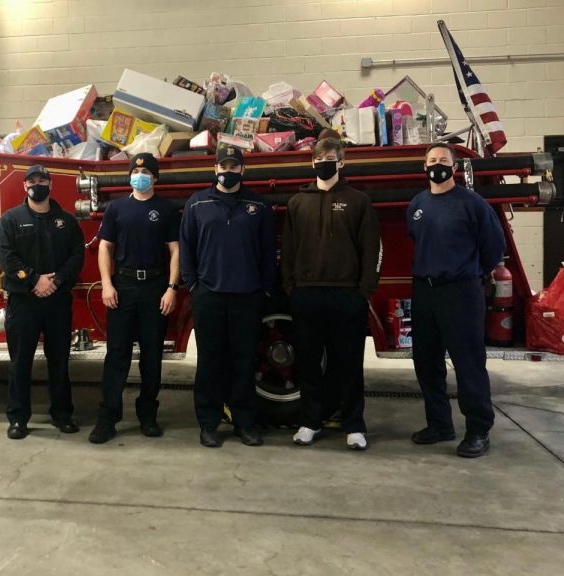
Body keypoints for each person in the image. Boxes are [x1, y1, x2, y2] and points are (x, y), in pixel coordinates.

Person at [282, 137, 381, 451]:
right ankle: (310, 422)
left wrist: (363, 291)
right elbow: (287, 250)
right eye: (319, 157)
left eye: (330, 157)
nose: (324, 162)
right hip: (306, 296)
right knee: (309, 364)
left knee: (349, 364)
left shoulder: (358, 201)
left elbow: (372, 250)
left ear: (341, 162)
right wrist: (291, 288)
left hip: (347, 296)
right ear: (312, 162)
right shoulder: (297, 203)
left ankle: (355, 425)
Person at [407, 142, 505, 458]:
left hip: (460, 292)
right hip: (425, 291)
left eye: (443, 160)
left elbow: (493, 246)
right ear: (425, 168)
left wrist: (471, 272)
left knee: (468, 364)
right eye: (432, 160)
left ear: (455, 167)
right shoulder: (418, 204)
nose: (437, 164)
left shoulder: (472, 203)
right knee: (426, 361)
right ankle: (440, 425)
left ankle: (478, 430)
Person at [180, 144, 276, 448]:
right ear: (215, 169)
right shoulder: (197, 204)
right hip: (209, 297)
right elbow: (186, 249)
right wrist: (194, 286)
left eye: (234, 167)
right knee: (209, 362)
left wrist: (264, 290)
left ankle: (244, 423)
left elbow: (268, 251)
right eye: (224, 166)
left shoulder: (258, 206)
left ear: (243, 170)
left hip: (248, 297)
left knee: (244, 362)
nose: (228, 171)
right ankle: (208, 424)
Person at [88, 153, 181, 444]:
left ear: (155, 177)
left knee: (152, 356)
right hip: (123, 287)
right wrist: (106, 284)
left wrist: (171, 288)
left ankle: (148, 415)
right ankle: (108, 418)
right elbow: (105, 248)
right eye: (135, 171)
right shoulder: (116, 208)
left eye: (145, 171)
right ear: (130, 175)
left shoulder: (166, 210)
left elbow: (176, 251)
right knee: (117, 355)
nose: (140, 175)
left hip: (155, 288)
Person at [0, 164, 86, 440]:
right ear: (24, 186)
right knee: (20, 363)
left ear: (50, 184)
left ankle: (62, 415)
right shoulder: (10, 220)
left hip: (57, 301)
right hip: (24, 302)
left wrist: (55, 281)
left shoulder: (67, 221)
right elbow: (6, 257)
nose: (37, 184)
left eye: (42, 180)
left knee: (59, 361)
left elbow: (76, 257)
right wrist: (34, 280)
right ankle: (18, 418)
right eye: (32, 180)